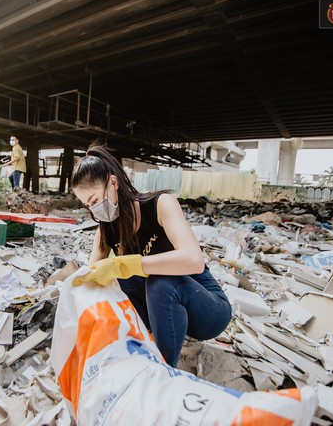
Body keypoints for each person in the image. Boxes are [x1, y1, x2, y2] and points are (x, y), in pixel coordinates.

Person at [71, 144, 232, 367]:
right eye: (88, 205)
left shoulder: (161, 204)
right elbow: (93, 278)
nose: (94, 210)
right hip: (166, 317)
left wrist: (129, 264)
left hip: (207, 309)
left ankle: (164, 371)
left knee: (159, 281)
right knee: (115, 283)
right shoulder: (106, 230)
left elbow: (194, 261)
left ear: (113, 183)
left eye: (96, 200)